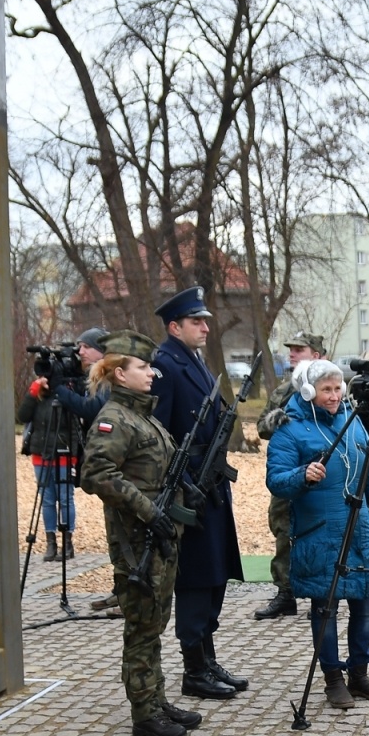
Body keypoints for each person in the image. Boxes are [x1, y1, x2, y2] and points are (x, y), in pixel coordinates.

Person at [78, 332, 203, 736]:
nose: (152, 373)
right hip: (137, 539)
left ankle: (156, 699)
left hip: (159, 535)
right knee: (142, 626)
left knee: (155, 622)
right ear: (120, 373)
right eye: (143, 367)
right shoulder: (114, 418)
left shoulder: (142, 415)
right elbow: (96, 474)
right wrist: (150, 510)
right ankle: (144, 713)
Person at [266, 360, 369, 709]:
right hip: (320, 534)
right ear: (308, 391)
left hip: (361, 532)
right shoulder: (289, 430)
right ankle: (333, 679)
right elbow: (276, 480)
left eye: (338, 389)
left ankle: (360, 674)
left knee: (365, 607)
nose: (335, 396)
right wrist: (302, 475)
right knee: (325, 611)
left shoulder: (353, 423)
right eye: (326, 390)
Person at [151, 286, 247, 700]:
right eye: (197, 321)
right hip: (191, 490)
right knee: (195, 579)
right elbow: (161, 432)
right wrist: (187, 480)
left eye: (205, 320)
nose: (205, 327)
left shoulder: (193, 359)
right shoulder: (165, 365)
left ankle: (207, 659)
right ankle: (194, 670)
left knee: (214, 576)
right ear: (175, 327)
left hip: (211, 487)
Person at [253, 332, 328, 619]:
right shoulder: (284, 392)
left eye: (300, 350)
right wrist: (281, 419)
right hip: (288, 473)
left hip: (320, 477)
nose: (292, 355)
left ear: (317, 355)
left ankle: (320, 596)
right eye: (291, 350)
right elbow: (262, 428)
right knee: (284, 531)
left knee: (320, 533)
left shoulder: (330, 388)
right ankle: (285, 593)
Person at [18, 362, 85, 562]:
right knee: (47, 500)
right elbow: (22, 416)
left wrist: (73, 453)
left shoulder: (65, 394)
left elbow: (75, 424)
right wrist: (33, 392)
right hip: (41, 453)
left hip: (64, 453)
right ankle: (50, 542)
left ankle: (67, 542)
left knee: (65, 498)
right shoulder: (37, 396)